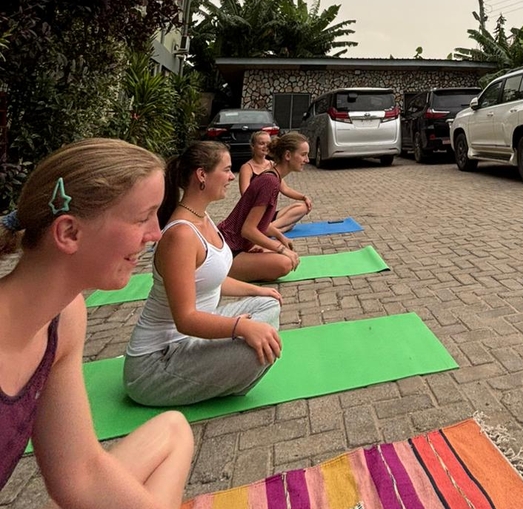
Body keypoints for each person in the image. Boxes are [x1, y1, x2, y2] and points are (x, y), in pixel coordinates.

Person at [0, 138, 193, 508]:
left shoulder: (65, 317)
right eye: (142, 217)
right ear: (69, 233)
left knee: (175, 429)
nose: (155, 233)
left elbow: (80, 475)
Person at [123, 141, 282, 407]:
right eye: (227, 170)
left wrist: (260, 290)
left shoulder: (203, 218)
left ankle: (217, 363)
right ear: (201, 175)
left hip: (191, 339)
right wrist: (239, 327)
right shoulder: (181, 235)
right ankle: (224, 369)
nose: (232, 177)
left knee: (268, 306)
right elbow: (185, 319)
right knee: (255, 351)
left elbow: (212, 281)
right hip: (155, 365)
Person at [219, 132, 309, 282]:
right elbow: (248, 230)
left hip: (237, 244)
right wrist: (280, 248)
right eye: (303, 155)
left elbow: (260, 224)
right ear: (288, 155)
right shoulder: (270, 182)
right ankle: (221, 271)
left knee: (281, 252)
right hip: (230, 249)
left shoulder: (272, 177)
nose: (307, 160)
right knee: (285, 263)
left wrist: (280, 237)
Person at [239, 131, 313, 233]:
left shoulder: (272, 168)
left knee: (302, 208)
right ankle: (269, 229)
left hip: (266, 216)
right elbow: (246, 197)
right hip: (254, 217)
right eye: (261, 143)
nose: (307, 160)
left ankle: (271, 228)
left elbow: (285, 189)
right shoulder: (264, 176)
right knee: (288, 225)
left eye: (267, 143)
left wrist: (303, 197)